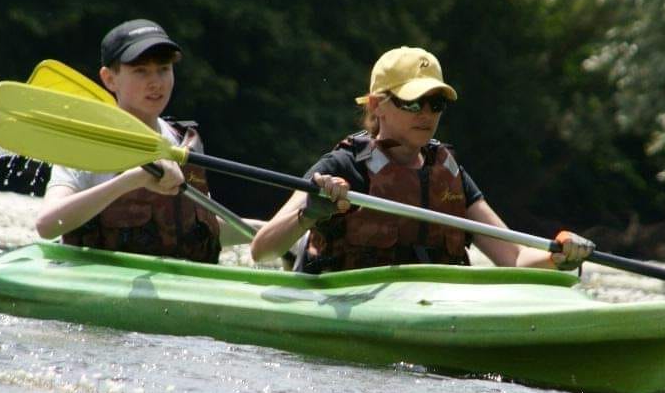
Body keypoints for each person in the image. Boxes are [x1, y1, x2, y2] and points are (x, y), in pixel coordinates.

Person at [249, 46, 595, 273]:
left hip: (430, 304)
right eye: (412, 103)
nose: (426, 114)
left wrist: (558, 255)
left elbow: (514, 256)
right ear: (376, 105)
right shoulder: (342, 167)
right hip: (346, 300)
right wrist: (309, 213)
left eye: (436, 104)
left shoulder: (449, 173)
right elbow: (261, 250)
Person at [34, 19, 222, 262]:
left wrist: (261, 232)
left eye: (164, 69)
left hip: (176, 279)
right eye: (141, 71)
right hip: (97, 276)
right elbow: (48, 225)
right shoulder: (87, 142)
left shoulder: (182, 142)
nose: (156, 83)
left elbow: (200, 228)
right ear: (109, 79)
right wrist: (130, 181)